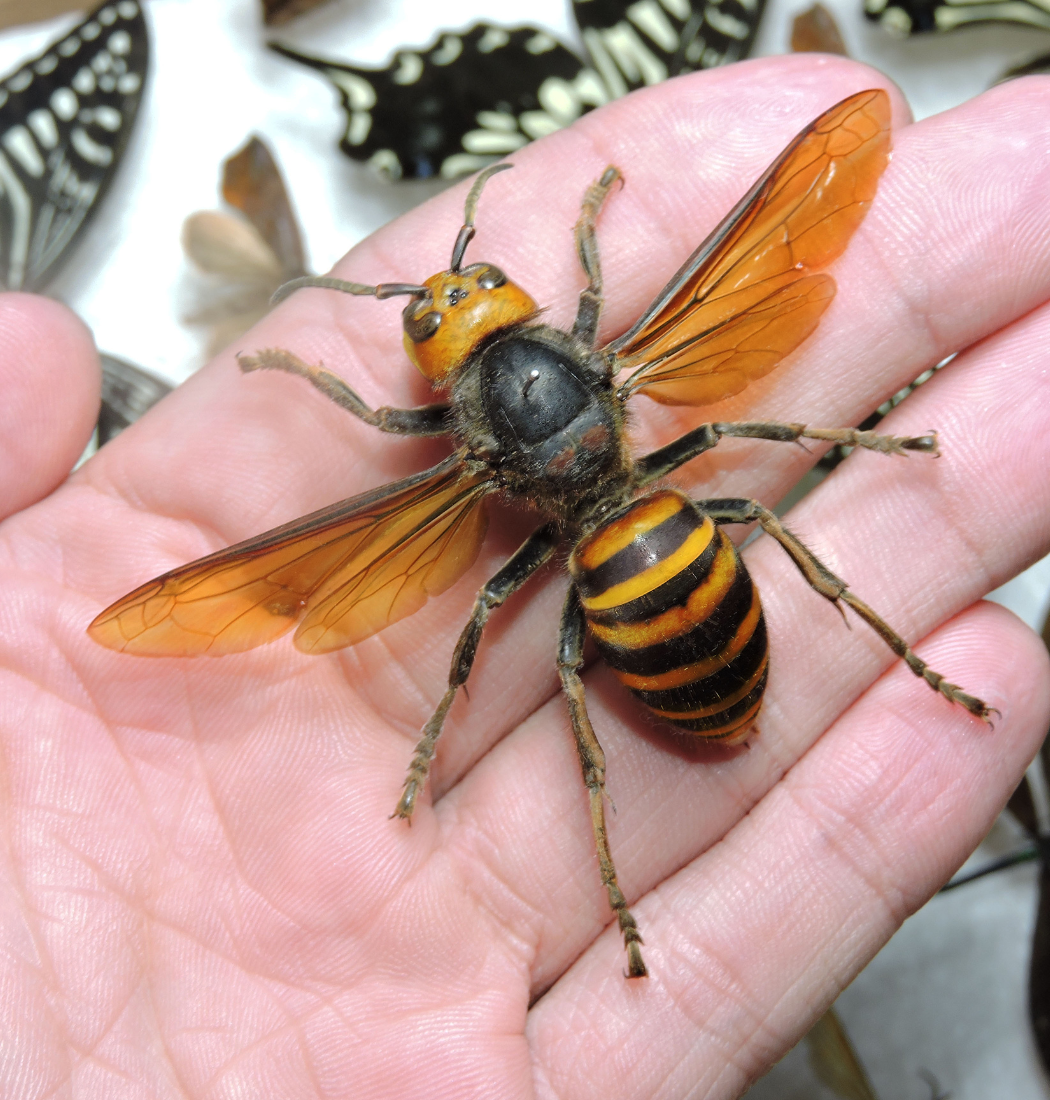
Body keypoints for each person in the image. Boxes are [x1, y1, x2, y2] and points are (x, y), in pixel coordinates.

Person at [1, 55, 1048, 1099]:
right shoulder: (600, 353)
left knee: (522, 624)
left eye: (464, 293)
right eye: (440, 307)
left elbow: (379, 420)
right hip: (665, 543)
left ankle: (612, 864)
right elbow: (593, 294)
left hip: (620, 583)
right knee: (750, 484)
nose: (454, 298)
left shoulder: (466, 459)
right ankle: (901, 652)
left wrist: (304, 372)